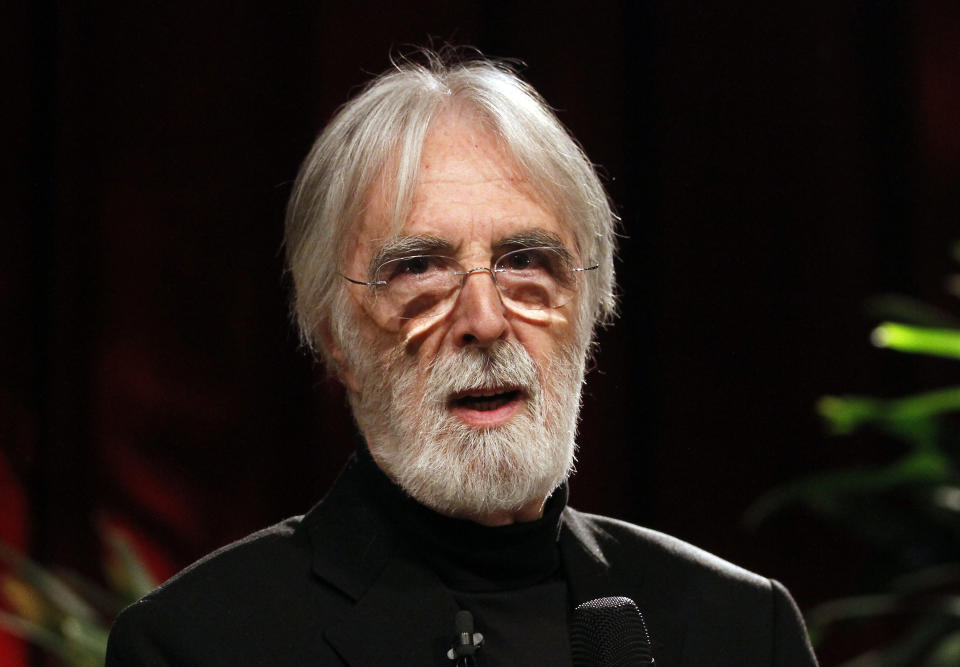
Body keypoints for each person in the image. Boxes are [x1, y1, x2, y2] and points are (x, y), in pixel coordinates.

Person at [106, 51, 818, 666]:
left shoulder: (744, 631)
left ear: (590, 310)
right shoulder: (198, 644)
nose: (485, 320)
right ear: (334, 337)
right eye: (419, 269)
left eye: (527, 263)